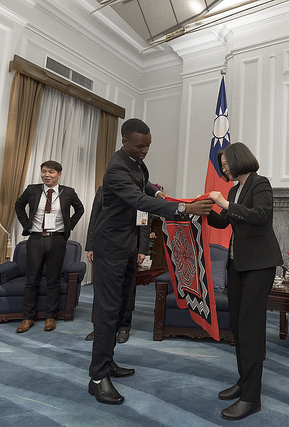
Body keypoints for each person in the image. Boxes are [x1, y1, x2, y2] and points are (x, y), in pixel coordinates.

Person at [88, 118, 213, 405]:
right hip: (110, 248)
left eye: (148, 146)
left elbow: (144, 187)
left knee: (120, 307)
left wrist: (157, 191)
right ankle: (97, 378)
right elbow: (138, 200)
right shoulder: (116, 168)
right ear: (124, 141)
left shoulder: (137, 164)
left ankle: (107, 362)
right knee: (107, 312)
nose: (145, 151)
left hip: (127, 246)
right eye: (139, 146)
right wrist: (183, 208)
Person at [207, 142, 283, 421]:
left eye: (225, 163)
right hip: (237, 265)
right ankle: (243, 381)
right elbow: (223, 222)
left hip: (259, 266)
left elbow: (260, 217)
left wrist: (225, 204)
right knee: (238, 328)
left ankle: (251, 397)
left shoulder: (260, 184)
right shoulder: (233, 190)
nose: (223, 168)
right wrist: (202, 210)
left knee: (250, 329)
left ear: (239, 159)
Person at [14, 160, 84, 333]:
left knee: (53, 279)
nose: (47, 175)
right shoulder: (32, 189)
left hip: (57, 239)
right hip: (36, 239)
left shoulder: (68, 192)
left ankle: (50, 316)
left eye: (51, 172)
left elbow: (80, 209)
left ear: (59, 174)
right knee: (32, 279)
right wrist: (26, 224)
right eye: (44, 171)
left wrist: (68, 226)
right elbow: (19, 205)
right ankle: (27, 317)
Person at [84, 186, 150, 343]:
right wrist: (91, 246)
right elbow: (94, 218)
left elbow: (144, 222)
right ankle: (100, 328)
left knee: (126, 289)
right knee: (102, 291)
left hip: (129, 248)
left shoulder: (138, 193)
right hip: (104, 247)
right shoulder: (103, 190)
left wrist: (142, 249)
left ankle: (124, 326)